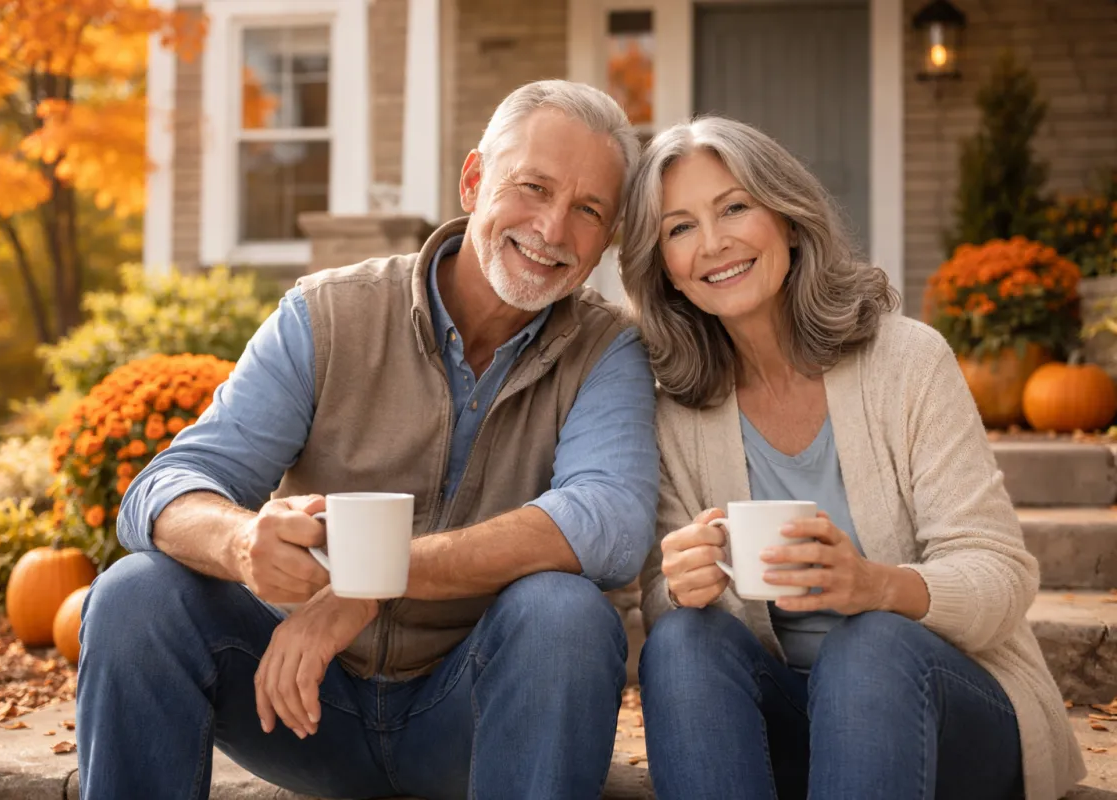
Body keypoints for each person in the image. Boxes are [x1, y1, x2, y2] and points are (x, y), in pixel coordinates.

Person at [75, 80, 660, 800]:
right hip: (297, 699)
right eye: (532, 187)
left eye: (588, 210)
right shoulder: (327, 314)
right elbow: (165, 490)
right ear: (473, 181)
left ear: (608, 237)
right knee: (133, 595)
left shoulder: (607, 351)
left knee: (565, 615)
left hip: (475, 715)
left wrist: (372, 581)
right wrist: (241, 542)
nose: (552, 228)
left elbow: (609, 521)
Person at [620, 116, 1085, 800]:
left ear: (789, 220)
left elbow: (1000, 575)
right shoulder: (673, 414)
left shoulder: (907, 361)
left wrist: (877, 587)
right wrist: (682, 584)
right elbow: (665, 601)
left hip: (945, 715)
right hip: (792, 724)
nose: (713, 243)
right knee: (680, 643)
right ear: (666, 270)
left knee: (867, 646)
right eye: (680, 228)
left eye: (735, 207)